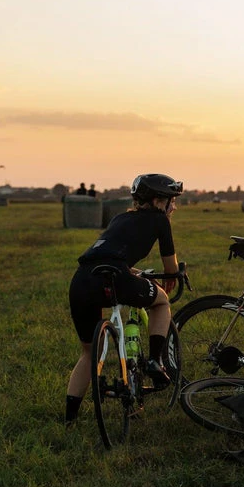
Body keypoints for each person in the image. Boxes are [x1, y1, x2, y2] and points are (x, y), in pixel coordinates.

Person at [64, 173, 183, 426]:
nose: (174, 206)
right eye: (171, 200)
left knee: (89, 353)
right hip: (116, 277)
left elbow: (108, 252)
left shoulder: (120, 217)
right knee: (161, 302)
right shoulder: (160, 220)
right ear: (158, 200)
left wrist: (132, 271)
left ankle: (69, 419)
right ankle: (154, 360)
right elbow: (170, 266)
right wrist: (174, 275)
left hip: (82, 280)